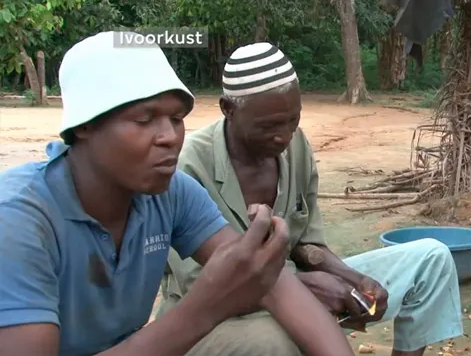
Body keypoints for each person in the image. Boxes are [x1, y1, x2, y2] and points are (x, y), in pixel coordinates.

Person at [0, 31, 356, 356]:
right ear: (85, 126)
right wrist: (206, 307)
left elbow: (275, 286)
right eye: (144, 120)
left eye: (176, 118)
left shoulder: (171, 194)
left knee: (275, 339)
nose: (170, 136)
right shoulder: (19, 219)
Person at [158, 42, 464, 356]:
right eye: (269, 126)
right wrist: (307, 288)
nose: (284, 136)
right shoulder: (187, 166)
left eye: (293, 121)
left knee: (432, 258)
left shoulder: (295, 147)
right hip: (216, 319)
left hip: (291, 292)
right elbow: (204, 285)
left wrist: (353, 278)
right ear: (228, 109)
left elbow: (306, 244)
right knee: (279, 340)